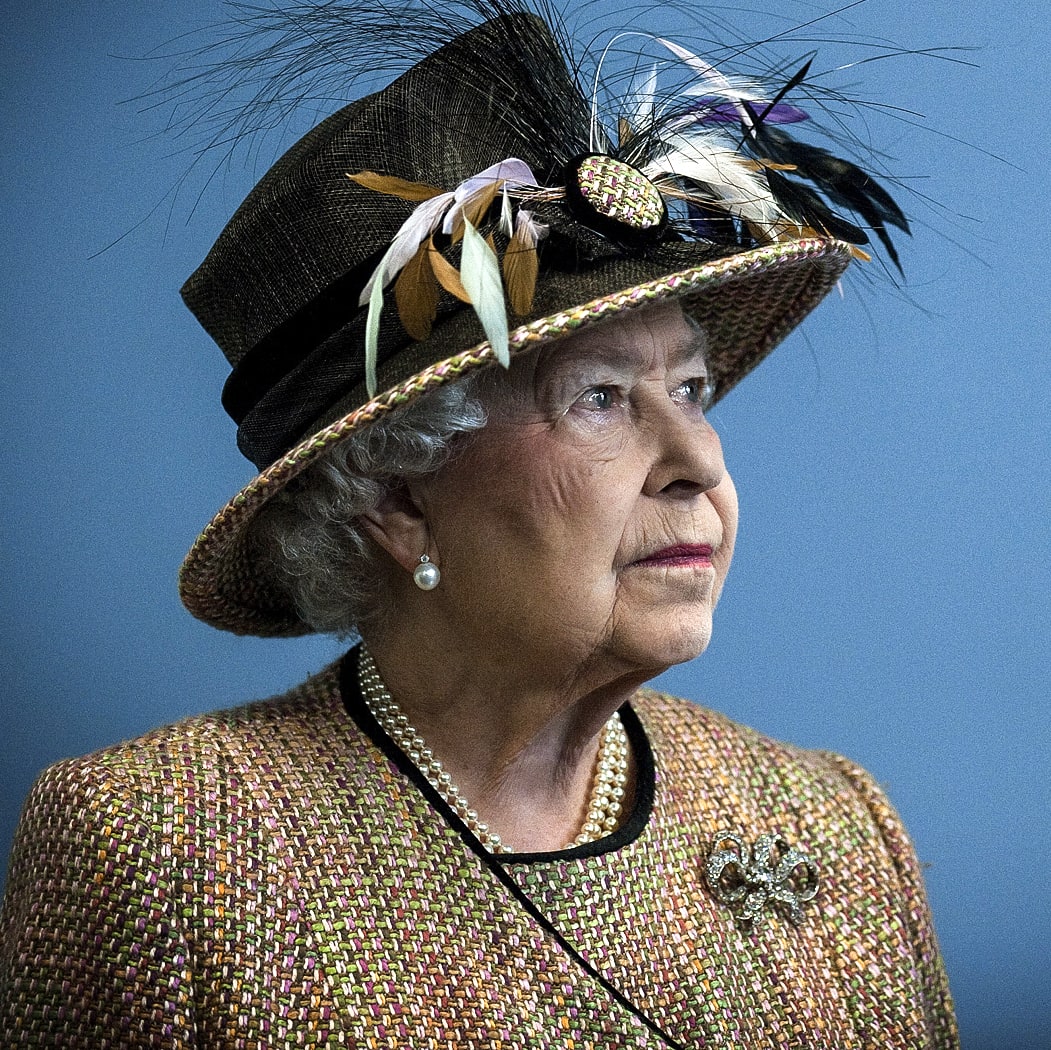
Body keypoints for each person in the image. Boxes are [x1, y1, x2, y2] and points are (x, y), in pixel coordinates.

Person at [0, 5, 957, 1046]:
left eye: (691, 389)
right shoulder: (165, 847)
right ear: (397, 501)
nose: (700, 466)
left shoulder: (831, 825)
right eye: (598, 397)